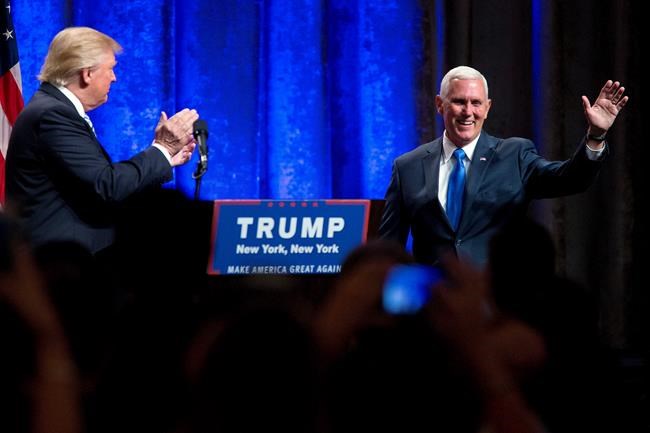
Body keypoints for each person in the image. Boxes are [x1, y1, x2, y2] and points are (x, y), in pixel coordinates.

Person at [378, 65, 628, 266]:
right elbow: (388, 250)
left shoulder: (514, 154)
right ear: (439, 105)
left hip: (496, 308)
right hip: (433, 309)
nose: (468, 111)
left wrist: (595, 136)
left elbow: (571, 179)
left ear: (487, 108)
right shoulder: (407, 167)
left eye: (476, 103)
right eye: (458, 101)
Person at [5, 26, 199, 255]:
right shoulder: (53, 115)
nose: (114, 78)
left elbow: (95, 187)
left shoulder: (53, 109)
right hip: (57, 268)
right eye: (111, 69)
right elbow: (106, 185)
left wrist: (165, 158)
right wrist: (162, 149)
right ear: (87, 73)